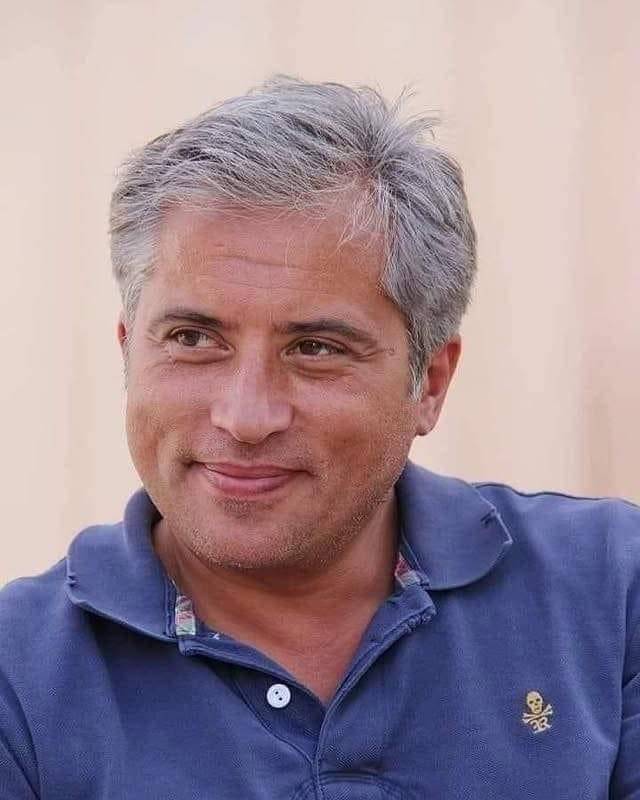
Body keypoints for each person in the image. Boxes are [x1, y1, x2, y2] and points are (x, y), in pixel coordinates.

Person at [0, 76, 638, 799]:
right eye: (193, 338)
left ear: (429, 382)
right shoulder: (19, 680)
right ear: (127, 353)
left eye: (316, 349)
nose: (245, 417)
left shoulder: (611, 591)